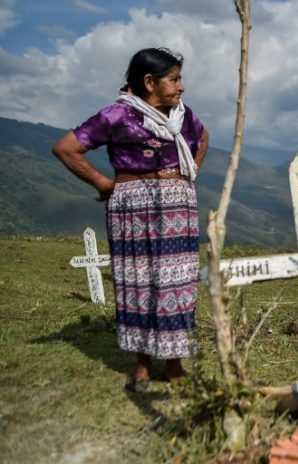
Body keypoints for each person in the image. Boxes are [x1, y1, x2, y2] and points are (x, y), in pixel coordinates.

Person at [53, 47, 209, 390]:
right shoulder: (116, 116)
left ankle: (173, 362)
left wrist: (188, 172)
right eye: (175, 79)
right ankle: (141, 363)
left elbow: (203, 138)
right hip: (132, 208)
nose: (181, 86)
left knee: (176, 281)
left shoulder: (183, 116)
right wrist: (103, 183)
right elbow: (66, 147)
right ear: (149, 81)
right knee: (136, 280)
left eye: (181, 78)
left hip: (178, 207)